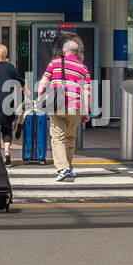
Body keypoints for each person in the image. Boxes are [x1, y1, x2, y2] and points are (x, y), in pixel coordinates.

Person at [35, 38, 92, 183]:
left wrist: (40, 96)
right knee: (70, 137)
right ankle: (69, 168)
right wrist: (86, 112)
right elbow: (87, 92)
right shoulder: (83, 68)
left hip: (56, 104)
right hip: (75, 106)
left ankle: (63, 169)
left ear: (64, 51)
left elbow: (44, 82)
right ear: (78, 53)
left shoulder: (54, 63)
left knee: (57, 137)